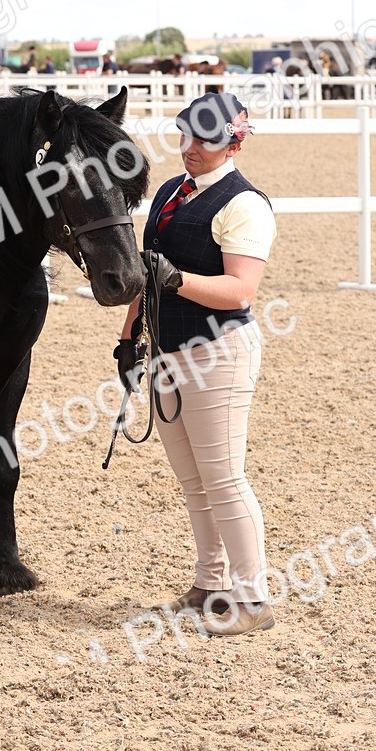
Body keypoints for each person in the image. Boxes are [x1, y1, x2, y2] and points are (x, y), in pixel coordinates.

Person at [114, 91, 277, 637]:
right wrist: (130, 337)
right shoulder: (170, 192)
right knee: (193, 481)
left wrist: (177, 280)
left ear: (232, 144)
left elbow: (240, 289)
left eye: (204, 140)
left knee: (224, 478)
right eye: (185, 135)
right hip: (166, 350)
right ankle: (209, 583)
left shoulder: (245, 204)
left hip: (217, 352)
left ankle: (252, 598)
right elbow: (146, 271)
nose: (190, 147)